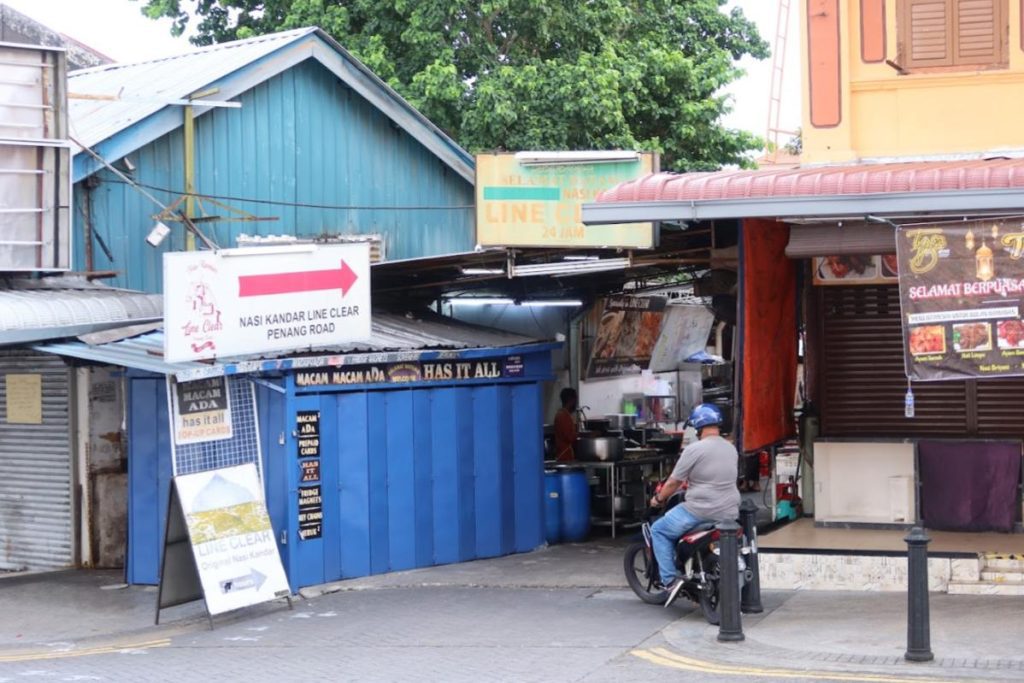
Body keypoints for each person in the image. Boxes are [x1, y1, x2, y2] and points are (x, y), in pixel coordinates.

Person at [648, 403, 741, 607]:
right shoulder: (731, 448)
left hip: (700, 511)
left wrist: (658, 499)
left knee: (659, 531)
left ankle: (670, 581)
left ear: (698, 426)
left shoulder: (694, 449)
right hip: (729, 511)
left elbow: (673, 482)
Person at [553, 387, 579, 463]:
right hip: (564, 456)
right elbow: (569, 437)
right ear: (571, 400)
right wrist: (584, 435)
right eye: (575, 400)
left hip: (566, 455)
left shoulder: (564, 414)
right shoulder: (563, 416)